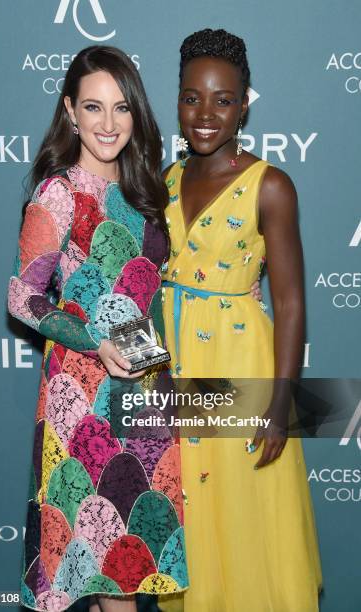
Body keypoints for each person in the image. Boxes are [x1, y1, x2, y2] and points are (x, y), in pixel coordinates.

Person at [7, 45, 189, 612]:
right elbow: (23, 296)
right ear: (70, 112)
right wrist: (93, 340)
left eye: (121, 107)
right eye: (93, 107)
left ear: (136, 113)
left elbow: (161, 285)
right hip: (83, 393)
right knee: (101, 562)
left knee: (130, 568)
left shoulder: (148, 194)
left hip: (146, 388)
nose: (108, 124)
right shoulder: (58, 194)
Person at [159, 29, 323, 611]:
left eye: (223, 100)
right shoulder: (166, 181)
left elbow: (293, 301)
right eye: (191, 97)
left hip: (242, 371)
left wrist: (281, 404)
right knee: (194, 519)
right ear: (176, 99)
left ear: (244, 105)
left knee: (245, 520)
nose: (205, 114)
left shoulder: (271, 186)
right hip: (176, 369)